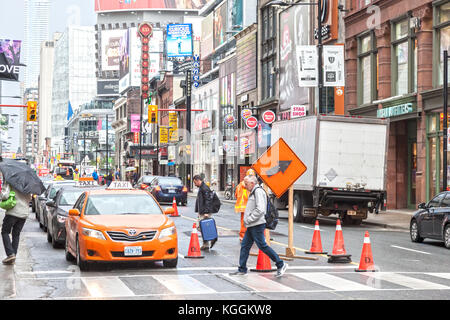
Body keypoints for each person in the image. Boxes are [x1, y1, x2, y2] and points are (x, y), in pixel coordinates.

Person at [230, 175, 287, 277]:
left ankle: (280, 264)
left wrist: (249, 219)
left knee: (262, 246)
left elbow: (260, 209)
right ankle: (242, 269)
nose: (245, 186)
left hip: (257, 224)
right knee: (245, 246)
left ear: (252, 183)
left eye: (246, 184)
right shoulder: (253, 192)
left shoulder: (258, 192)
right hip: (252, 225)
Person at [1, 182, 32, 265]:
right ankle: (13, 255)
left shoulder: (10, 182)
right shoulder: (27, 185)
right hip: (23, 213)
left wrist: (3, 190)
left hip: (13, 212)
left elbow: (4, 196)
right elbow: (30, 198)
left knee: (5, 232)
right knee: (16, 234)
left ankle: (10, 254)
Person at [193, 174, 216, 250]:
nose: (194, 184)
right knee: (203, 227)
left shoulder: (204, 188)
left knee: (201, 227)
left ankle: (213, 237)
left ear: (197, 180)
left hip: (205, 211)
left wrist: (206, 212)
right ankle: (206, 243)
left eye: (194, 182)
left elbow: (208, 201)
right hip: (202, 211)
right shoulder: (201, 187)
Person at [235, 169, 256, 242]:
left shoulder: (240, 184)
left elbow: (236, 194)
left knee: (244, 222)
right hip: (249, 207)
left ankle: (243, 236)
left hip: (243, 207)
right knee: (252, 222)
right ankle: (248, 236)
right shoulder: (252, 185)